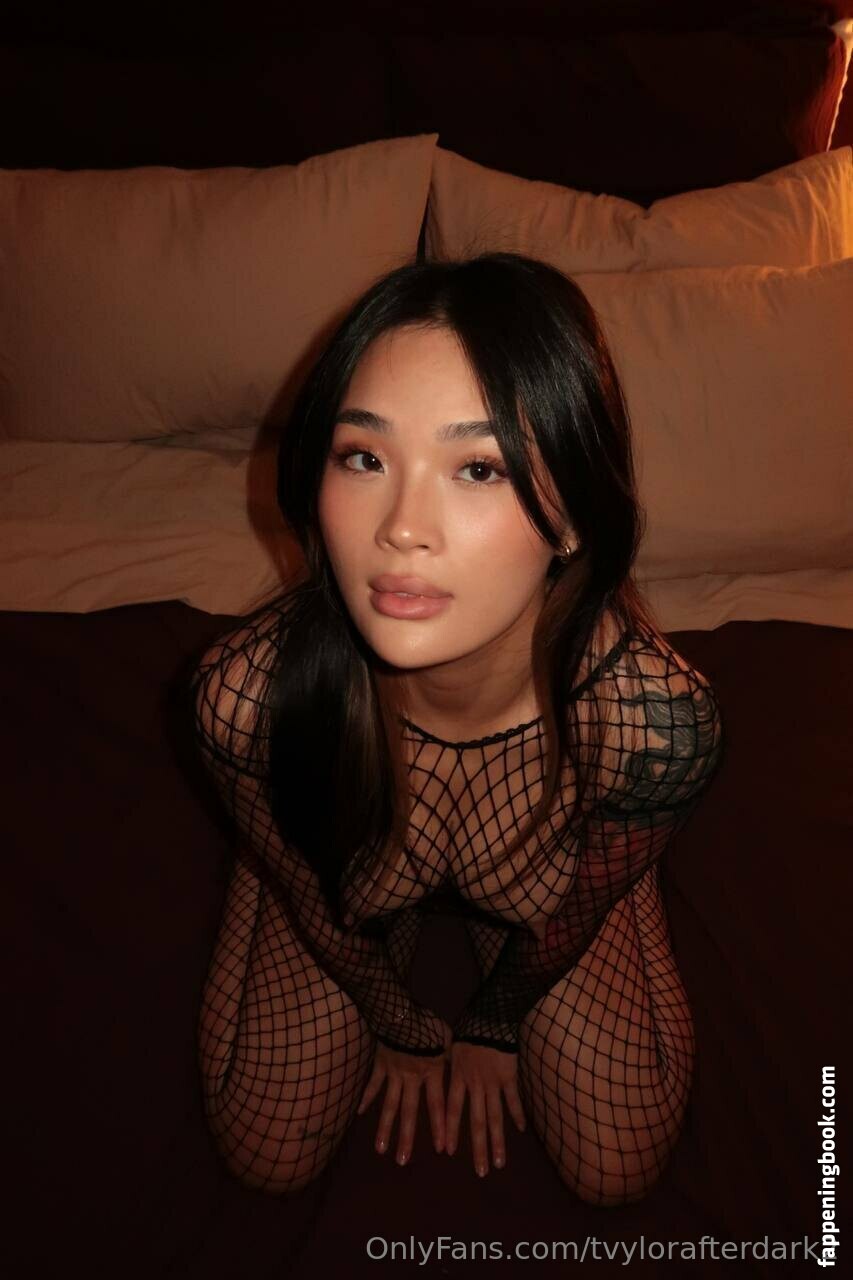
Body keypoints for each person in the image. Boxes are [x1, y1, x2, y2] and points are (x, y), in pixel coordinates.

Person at [188, 252, 725, 1206]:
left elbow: (563, 927)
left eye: (478, 468)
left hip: (573, 838)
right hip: (330, 854)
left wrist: (493, 1023)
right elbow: (321, 911)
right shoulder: (246, 702)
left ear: (572, 513)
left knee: (616, 1170)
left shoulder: (652, 729)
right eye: (364, 458)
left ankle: (619, 862)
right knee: (266, 1156)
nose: (401, 528)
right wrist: (396, 1021)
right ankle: (265, 854)